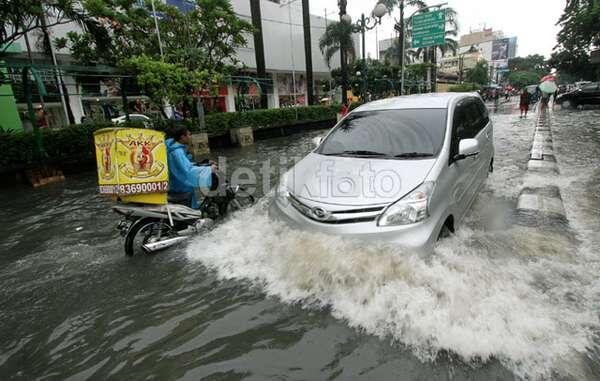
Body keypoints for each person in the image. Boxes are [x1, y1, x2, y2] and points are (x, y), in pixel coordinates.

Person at [165, 127, 215, 208]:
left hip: (176, 185)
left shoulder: (172, 149)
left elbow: (185, 164)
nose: (190, 137)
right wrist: (209, 169)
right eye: (189, 134)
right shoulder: (177, 152)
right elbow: (188, 170)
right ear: (182, 137)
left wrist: (203, 163)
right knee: (191, 213)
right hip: (181, 187)